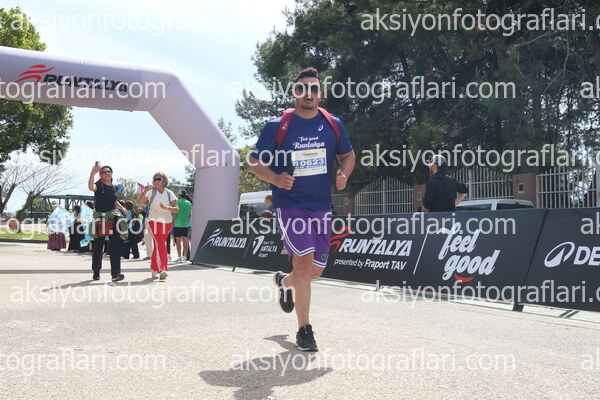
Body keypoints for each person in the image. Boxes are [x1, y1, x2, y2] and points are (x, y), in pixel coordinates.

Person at [248, 67, 355, 351]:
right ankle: (304, 330)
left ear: (320, 94)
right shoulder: (277, 126)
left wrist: (344, 174)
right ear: (294, 93)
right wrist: (275, 179)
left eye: (314, 88)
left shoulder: (333, 124)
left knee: (314, 271)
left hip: (321, 207)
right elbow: (254, 162)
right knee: (304, 263)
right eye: (302, 88)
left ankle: (285, 282)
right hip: (290, 206)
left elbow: (348, 155)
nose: (308, 93)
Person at [88, 165, 128, 282]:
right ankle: (96, 271)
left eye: (109, 171)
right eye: (104, 172)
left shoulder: (114, 187)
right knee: (98, 247)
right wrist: (92, 173)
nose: (107, 173)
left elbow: (113, 200)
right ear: (100, 174)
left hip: (112, 217)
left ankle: (116, 273)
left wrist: (122, 208)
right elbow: (91, 187)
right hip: (100, 218)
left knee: (115, 245)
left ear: (112, 173)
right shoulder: (98, 185)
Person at [137, 171, 179, 280]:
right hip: (153, 221)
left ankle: (154, 267)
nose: (156, 181)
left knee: (158, 245)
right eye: (155, 179)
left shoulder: (169, 193)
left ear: (164, 181)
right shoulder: (151, 192)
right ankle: (162, 269)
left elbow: (176, 209)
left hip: (167, 222)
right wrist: (145, 191)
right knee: (160, 243)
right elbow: (140, 202)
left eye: (159, 179)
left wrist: (167, 208)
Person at [173, 189, 192, 262]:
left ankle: (179, 256)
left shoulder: (177, 202)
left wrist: (172, 222)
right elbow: (190, 214)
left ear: (179, 195)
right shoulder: (189, 203)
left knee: (178, 242)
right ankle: (185, 257)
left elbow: (175, 213)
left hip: (177, 224)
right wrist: (187, 222)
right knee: (185, 241)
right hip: (185, 225)